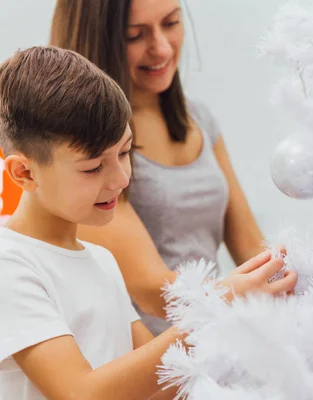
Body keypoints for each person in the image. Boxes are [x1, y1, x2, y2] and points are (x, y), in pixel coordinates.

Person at [0, 46, 296, 400]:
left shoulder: (102, 262)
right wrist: (217, 307)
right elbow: (80, 394)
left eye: (125, 152)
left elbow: (165, 382)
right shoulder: (10, 265)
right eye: (93, 167)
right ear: (24, 173)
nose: (121, 178)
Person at [49, 0, 276, 335]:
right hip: (150, 361)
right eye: (134, 36)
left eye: (171, 23)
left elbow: (252, 249)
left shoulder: (197, 119)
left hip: (215, 337)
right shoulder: (82, 146)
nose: (161, 47)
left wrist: (302, 282)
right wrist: (238, 296)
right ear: (96, 40)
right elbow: (154, 291)